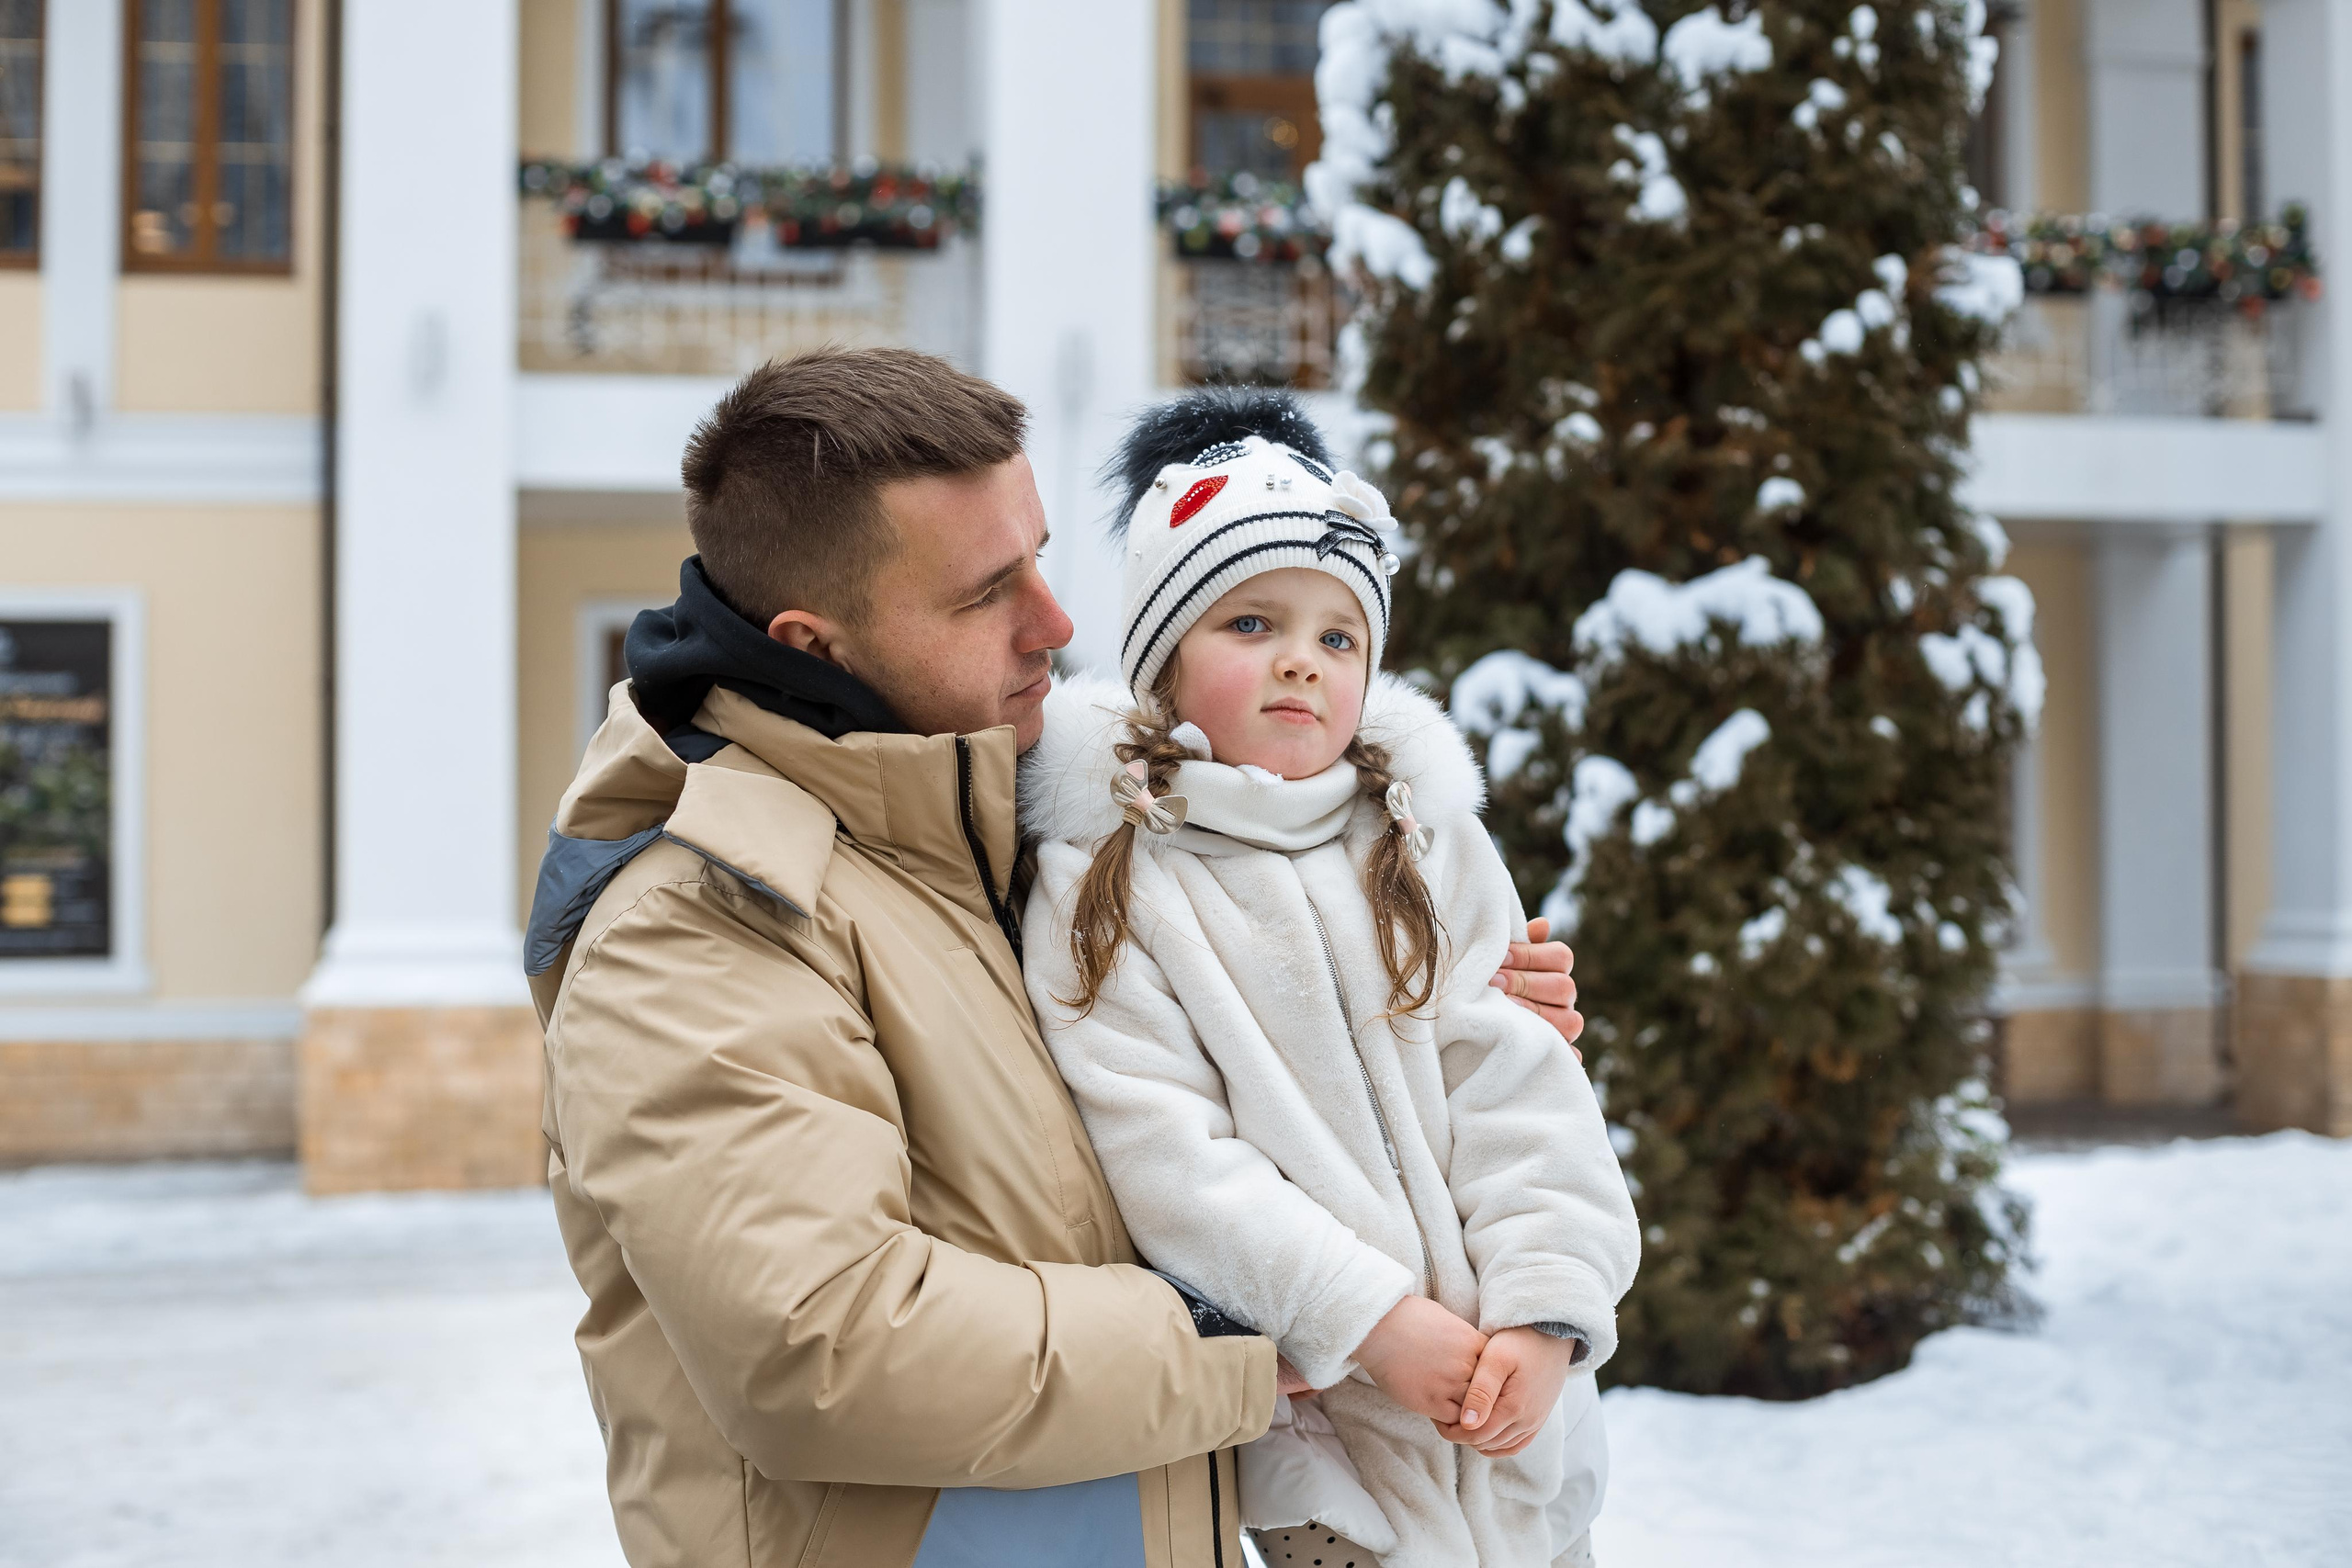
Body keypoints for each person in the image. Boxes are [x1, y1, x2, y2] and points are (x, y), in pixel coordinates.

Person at [524, 348, 1586, 1568]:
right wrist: (1260, 1330)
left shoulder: (1018, 834)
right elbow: (822, 1344)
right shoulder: (699, 926)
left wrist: (1424, 1026)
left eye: (1036, 554)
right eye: (987, 593)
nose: (1058, 622)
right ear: (817, 644)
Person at [1019, 389, 1641, 1568]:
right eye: (1250, 623)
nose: (1300, 659)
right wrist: (1371, 1321)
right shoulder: (1107, 883)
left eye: (1338, 636)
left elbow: (1517, 1083)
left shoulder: (1427, 844)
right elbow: (1165, 1154)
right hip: (1326, 1444)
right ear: (1160, 663)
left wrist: (1547, 1306)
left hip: (1514, 1418)